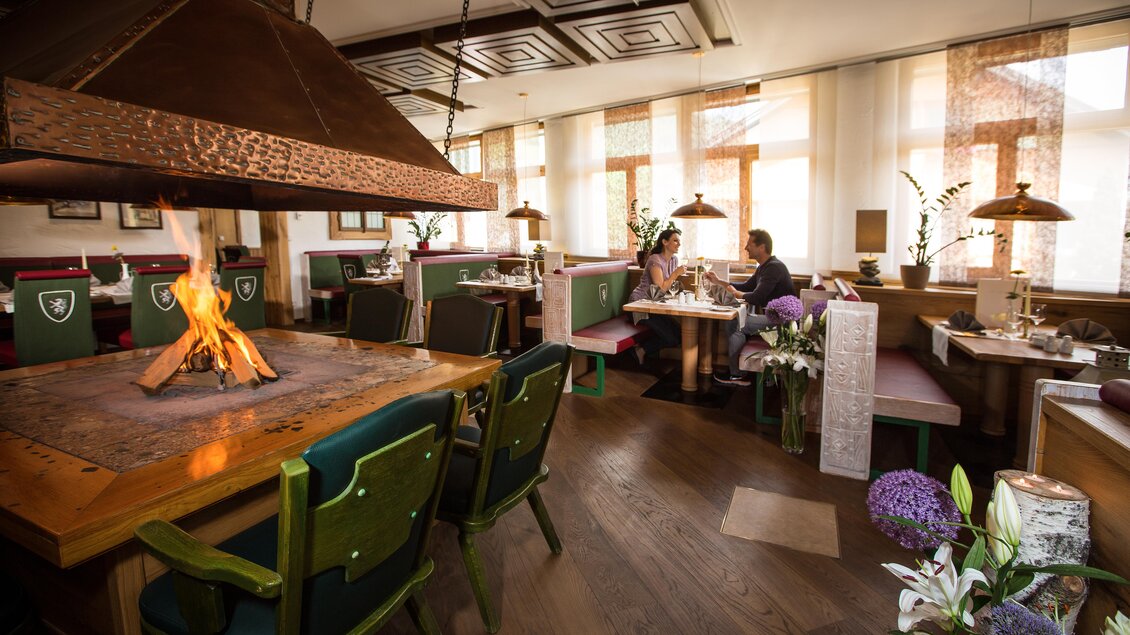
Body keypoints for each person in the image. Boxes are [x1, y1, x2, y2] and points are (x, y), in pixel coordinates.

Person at [704, 228, 796, 386]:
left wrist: (737, 294)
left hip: (782, 324)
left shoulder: (774, 267)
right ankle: (738, 371)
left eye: (749, 244)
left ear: (762, 247)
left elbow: (757, 297)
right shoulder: (764, 267)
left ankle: (737, 375)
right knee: (738, 320)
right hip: (773, 318)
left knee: (735, 323)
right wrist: (718, 281)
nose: (746, 248)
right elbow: (747, 286)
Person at [628, 228, 685, 364]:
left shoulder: (673, 260)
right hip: (639, 307)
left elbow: (669, 286)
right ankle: (641, 350)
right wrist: (676, 274)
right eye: (675, 240)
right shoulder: (655, 259)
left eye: (679, 241)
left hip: (655, 307)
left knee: (680, 334)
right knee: (671, 338)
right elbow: (660, 289)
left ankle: (641, 349)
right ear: (664, 242)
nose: (678, 244)